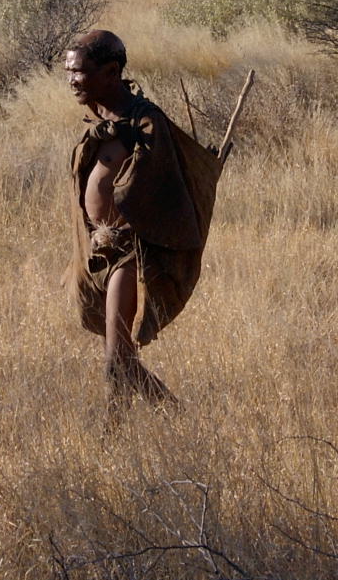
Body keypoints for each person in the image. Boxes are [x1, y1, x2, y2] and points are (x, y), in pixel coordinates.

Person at [64, 30, 221, 420]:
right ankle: (117, 428)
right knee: (118, 356)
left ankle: (178, 421)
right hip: (102, 251)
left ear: (111, 72)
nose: (71, 80)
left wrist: (119, 231)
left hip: (131, 254)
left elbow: (158, 191)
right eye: (68, 71)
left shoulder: (145, 123)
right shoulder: (104, 120)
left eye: (79, 72)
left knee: (118, 357)